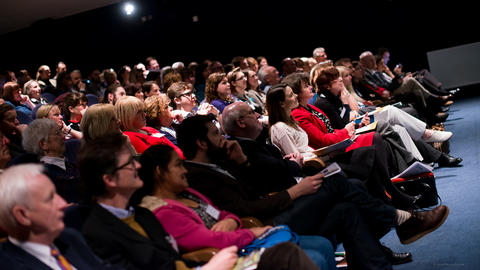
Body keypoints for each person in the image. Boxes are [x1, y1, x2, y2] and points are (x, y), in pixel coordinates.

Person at [176, 113, 450, 269]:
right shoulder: (199, 176)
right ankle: (404, 220)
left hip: (274, 208)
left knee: (347, 206)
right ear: (201, 142)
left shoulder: (221, 160)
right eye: (215, 134)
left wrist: (243, 162)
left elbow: (257, 187)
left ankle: (384, 257)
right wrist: (295, 194)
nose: (222, 138)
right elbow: (245, 209)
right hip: (266, 225)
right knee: (336, 182)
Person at [77, 133, 319, 270]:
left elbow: (172, 257)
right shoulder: (98, 232)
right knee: (300, 257)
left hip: (210, 260)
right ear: (109, 179)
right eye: (129, 163)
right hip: (211, 262)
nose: (137, 166)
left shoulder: (140, 214)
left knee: (290, 252)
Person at [133, 144, 336, 270]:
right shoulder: (162, 211)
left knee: (323, 244)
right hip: (229, 256)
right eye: (178, 165)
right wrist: (252, 233)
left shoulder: (187, 193)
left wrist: (231, 221)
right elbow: (209, 240)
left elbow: (226, 213)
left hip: (242, 240)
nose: (185, 169)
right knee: (315, 256)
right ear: (160, 172)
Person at [0, 164, 116, 269]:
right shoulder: (9, 265)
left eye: (57, 194)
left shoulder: (69, 237)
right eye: (50, 198)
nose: (63, 203)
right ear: (23, 215)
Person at [22, 119, 80, 203]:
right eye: (57, 134)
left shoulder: (69, 163)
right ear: (43, 144)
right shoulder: (45, 177)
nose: (63, 136)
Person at [115, 96, 183, 156]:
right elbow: (153, 160)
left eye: (143, 111)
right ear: (128, 117)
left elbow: (174, 148)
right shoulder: (129, 137)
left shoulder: (149, 129)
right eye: (139, 112)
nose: (144, 115)